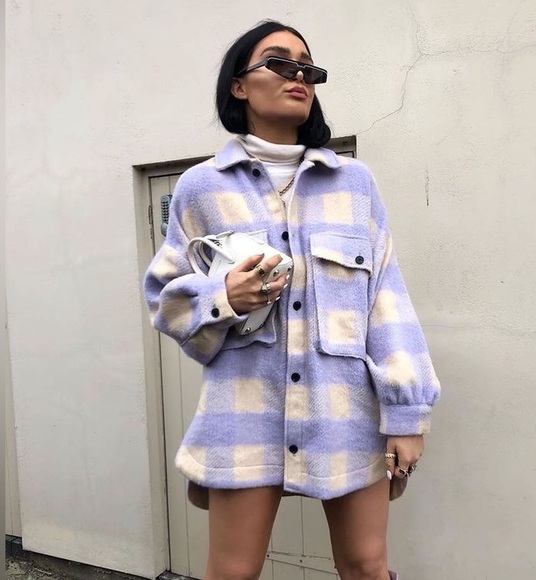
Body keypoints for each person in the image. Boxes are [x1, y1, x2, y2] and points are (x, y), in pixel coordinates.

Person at [144, 19, 440, 580]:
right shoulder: (201, 187)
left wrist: (407, 412)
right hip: (243, 412)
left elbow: (387, 301)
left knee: (367, 567)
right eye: (280, 63)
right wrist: (222, 296)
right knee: (232, 573)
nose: (298, 76)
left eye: (308, 68)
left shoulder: (355, 184)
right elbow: (165, 298)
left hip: (347, 411)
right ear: (239, 85)